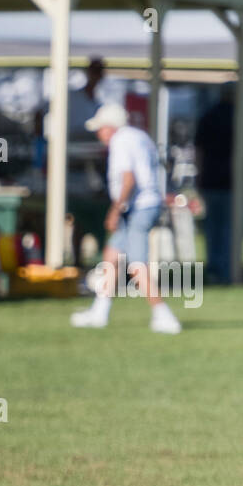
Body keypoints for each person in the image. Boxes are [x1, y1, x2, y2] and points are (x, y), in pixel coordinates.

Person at [70, 104, 182, 335]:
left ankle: (163, 314)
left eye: (101, 128)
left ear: (110, 127)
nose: (99, 133)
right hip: (144, 204)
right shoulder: (139, 136)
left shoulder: (121, 141)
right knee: (111, 255)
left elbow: (128, 179)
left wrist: (114, 210)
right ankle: (100, 311)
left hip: (136, 206)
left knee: (136, 263)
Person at [194, 91, 243, 283]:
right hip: (236, 183)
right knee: (233, 229)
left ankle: (215, 269)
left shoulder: (207, 117)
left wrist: (199, 177)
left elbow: (198, 152)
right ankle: (228, 271)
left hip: (211, 181)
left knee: (213, 230)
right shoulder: (242, 119)